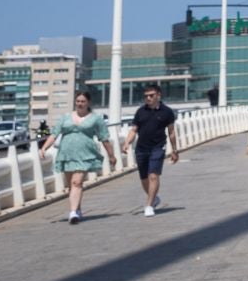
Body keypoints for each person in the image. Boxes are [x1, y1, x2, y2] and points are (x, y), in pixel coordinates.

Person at [41, 90, 115, 224]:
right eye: (78, 101)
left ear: (88, 103)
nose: (80, 104)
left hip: (85, 154)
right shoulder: (65, 117)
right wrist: (44, 148)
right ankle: (77, 209)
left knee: (77, 182)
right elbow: (54, 134)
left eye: (83, 101)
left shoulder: (96, 118)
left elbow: (104, 138)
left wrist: (111, 155)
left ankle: (73, 212)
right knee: (71, 185)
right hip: (66, 154)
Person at [121, 86, 179, 216]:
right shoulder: (140, 111)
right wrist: (126, 143)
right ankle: (154, 198)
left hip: (158, 147)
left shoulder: (167, 112)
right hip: (141, 148)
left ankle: (149, 205)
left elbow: (171, 132)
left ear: (159, 95)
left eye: (151, 95)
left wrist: (174, 150)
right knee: (144, 178)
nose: (148, 98)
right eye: (146, 96)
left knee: (153, 175)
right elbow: (134, 129)